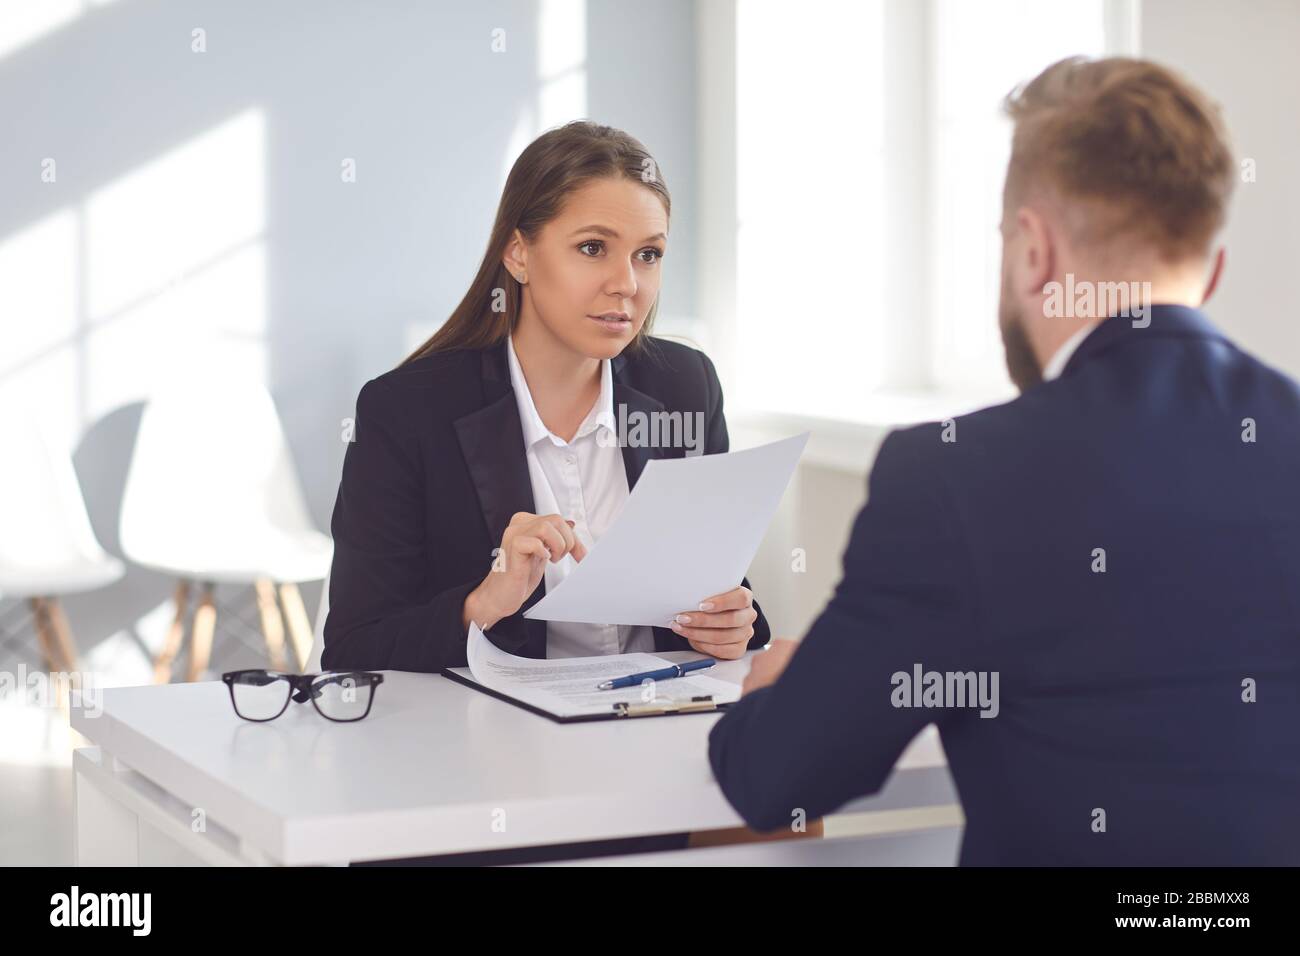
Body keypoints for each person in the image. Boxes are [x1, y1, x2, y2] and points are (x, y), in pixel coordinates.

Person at [708, 57, 1300, 865]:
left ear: (1032, 251)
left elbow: (779, 780)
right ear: (1214, 268)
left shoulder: (955, 478)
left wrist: (779, 693)